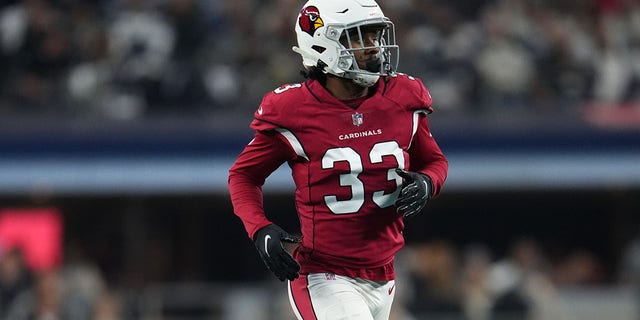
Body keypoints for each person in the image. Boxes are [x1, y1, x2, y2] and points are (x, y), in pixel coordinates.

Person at [228, 0, 448, 319]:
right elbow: (243, 176)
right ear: (323, 44)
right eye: (359, 38)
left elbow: (435, 161)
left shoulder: (403, 96)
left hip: (384, 274)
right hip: (324, 274)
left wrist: (429, 182)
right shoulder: (292, 109)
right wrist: (259, 228)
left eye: (375, 36)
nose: (373, 47)